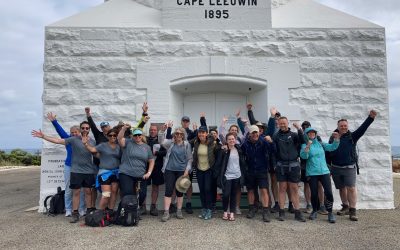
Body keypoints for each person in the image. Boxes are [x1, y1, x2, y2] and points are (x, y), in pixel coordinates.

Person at [32, 121, 97, 223]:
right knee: (76, 192)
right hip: (76, 170)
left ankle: (88, 211)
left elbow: (95, 153)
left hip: (88, 171)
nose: (85, 130)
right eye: (83, 128)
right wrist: (44, 136)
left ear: (89, 130)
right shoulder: (73, 139)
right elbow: (58, 140)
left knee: (88, 192)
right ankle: (75, 213)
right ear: (80, 129)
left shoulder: (92, 141)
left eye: (87, 128)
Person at [328, 110, 377, 221]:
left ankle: (353, 210)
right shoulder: (333, 137)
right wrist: (328, 167)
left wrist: (370, 118)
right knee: (341, 188)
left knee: (351, 188)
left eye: (345, 125)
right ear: (338, 126)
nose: (344, 127)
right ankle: (345, 206)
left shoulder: (353, 136)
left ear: (347, 126)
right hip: (335, 167)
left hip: (349, 167)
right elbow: (328, 152)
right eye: (341, 126)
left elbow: (362, 128)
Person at [46, 112, 86, 217]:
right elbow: (60, 132)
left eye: (76, 132)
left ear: (80, 132)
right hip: (69, 166)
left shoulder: (85, 141)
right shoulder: (68, 140)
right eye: (72, 132)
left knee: (81, 190)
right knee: (69, 188)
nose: (73, 134)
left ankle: (82, 208)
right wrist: (54, 121)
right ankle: (68, 209)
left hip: (81, 168)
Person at [300, 128, 340, 223]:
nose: (312, 134)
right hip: (312, 172)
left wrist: (336, 140)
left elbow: (332, 147)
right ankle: (314, 211)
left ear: (315, 134)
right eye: (309, 133)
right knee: (314, 194)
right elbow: (303, 156)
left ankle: (330, 212)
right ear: (306, 135)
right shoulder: (304, 145)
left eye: (313, 133)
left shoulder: (320, 144)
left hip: (324, 172)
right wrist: (308, 146)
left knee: (329, 192)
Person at [273, 117, 306, 222]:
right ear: (278, 124)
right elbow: (273, 152)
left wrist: (299, 129)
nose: (282, 125)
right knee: (282, 188)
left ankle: (297, 213)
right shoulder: (276, 136)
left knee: (294, 189)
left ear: (288, 123)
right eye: (280, 123)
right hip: (281, 166)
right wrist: (274, 165)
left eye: (284, 123)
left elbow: (303, 141)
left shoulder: (294, 135)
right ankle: (281, 212)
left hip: (294, 165)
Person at [241, 125, 275, 222]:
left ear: (259, 133)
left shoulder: (264, 141)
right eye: (253, 133)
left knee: (264, 190)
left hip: (262, 170)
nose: (255, 134)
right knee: (251, 190)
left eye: (256, 132)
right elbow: (241, 153)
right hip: (250, 171)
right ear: (250, 134)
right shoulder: (245, 144)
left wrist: (271, 142)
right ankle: (251, 209)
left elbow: (273, 151)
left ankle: (265, 211)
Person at [159, 123, 193, 222]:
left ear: (183, 135)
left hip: (181, 171)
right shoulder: (170, 143)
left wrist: (187, 170)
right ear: (174, 135)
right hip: (169, 170)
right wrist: (162, 131)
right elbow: (161, 141)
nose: (178, 135)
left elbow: (190, 159)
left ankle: (179, 211)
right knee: (168, 191)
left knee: (180, 192)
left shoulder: (186, 145)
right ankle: (166, 212)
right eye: (176, 133)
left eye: (180, 134)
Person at [82, 129, 121, 213]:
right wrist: (85, 143)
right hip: (105, 173)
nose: (112, 137)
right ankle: (99, 213)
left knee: (114, 192)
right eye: (110, 135)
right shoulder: (103, 145)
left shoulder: (119, 147)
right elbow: (92, 150)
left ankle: (110, 211)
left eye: (114, 135)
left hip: (116, 172)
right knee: (106, 194)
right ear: (107, 136)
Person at [117, 125, 155, 212]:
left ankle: (135, 209)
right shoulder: (128, 142)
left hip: (141, 175)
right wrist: (123, 129)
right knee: (127, 193)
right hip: (126, 173)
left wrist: (149, 172)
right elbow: (119, 139)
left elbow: (151, 160)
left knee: (142, 194)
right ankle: (128, 213)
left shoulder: (146, 147)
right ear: (132, 136)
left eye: (139, 135)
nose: (137, 137)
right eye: (135, 135)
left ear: (142, 136)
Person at [216, 133, 247, 221]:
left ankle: (232, 213)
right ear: (226, 141)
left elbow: (242, 162)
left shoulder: (238, 149)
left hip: (237, 175)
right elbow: (219, 162)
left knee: (233, 195)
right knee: (226, 195)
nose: (231, 140)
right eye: (229, 139)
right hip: (227, 176)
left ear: (235, 139)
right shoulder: (224, 150)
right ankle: (225, 211)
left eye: (233, 139)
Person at [192, 124, 219, 220]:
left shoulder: (212, 143)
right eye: (200, 132)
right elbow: (184, 141)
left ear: (206, 133)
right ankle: (204, 208)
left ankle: (209, 209)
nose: (201, 134)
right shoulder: (196, 142)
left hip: (208, 170)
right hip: (199, 170)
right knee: (202, 190)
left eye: (203, 132)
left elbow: (218, 153)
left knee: (208, 190)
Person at [146, 124, 167, 216]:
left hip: (157, 166)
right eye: (151, 130)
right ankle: (142, 206)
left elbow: (166, 152)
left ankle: (153, 206)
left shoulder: (161, 140)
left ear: (157, 131)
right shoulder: (145, 140)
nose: (152, 131)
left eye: (154, 130)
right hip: (145, 166)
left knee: (155, 186)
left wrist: (157, 152)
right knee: (143, 187)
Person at [181, 115, 198, 214]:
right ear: (181, 122)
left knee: (189, 183)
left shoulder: (191, 132)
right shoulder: (177, 131)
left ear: (189, 123)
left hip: (188, 161)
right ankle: (174, 204)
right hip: (178, 161)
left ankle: (188, 203)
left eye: (187, 121)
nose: (185, 123)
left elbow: (196, 139)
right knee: (178, 182)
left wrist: (196, 130)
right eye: (184, 121)